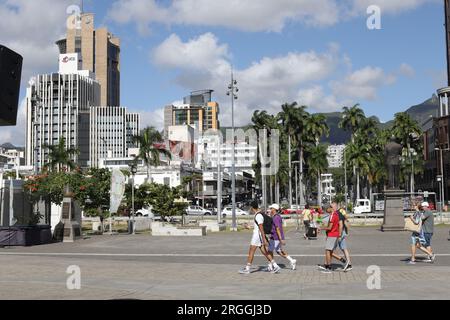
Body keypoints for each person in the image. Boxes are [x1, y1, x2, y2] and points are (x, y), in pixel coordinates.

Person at [239, 200, 281, 274]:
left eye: (250, 208)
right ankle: (275, 265)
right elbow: (258, 226)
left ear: (252, 208)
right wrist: (249, 227)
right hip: (259, 235)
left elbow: (261, 227)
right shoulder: (258, 214)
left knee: (251, 251)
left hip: (257, 236)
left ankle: (247, 268)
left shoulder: (258, 215)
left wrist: (264, 239)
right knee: (265, 252)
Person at [267, 204, 297, 270]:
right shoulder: (277, 216)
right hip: (276, 237)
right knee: (278, 251)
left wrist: (281, 239)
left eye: (271, 208)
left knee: (269, 251)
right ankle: (292, 260)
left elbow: (277, 228)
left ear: (274, 209)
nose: (270, 209)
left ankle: (271, 265)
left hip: (275, 237)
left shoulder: (276, 217)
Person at [317, 202, 340, 273]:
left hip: (332, 235)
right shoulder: (335, 214)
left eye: (326, 209)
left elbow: (330, 227)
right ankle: (327, 265)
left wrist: (321, 228)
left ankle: (328, 267)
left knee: (327, 251)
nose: (326, 211)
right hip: (334, 235)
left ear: (330, 208)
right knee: (330, 252)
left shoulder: (333, 215)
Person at [331, 204, 353, 271]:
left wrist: (340, 235)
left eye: (331, 207)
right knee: (344, 249)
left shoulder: (337, 214)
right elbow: (346, 223)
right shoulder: (340, 213)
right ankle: (349, 264)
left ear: (335, 207)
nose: (330, 208)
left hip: (338, 234)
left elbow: (341, 225)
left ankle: (340, 260)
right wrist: (346, 232)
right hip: (341, 233)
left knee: (329, 250)